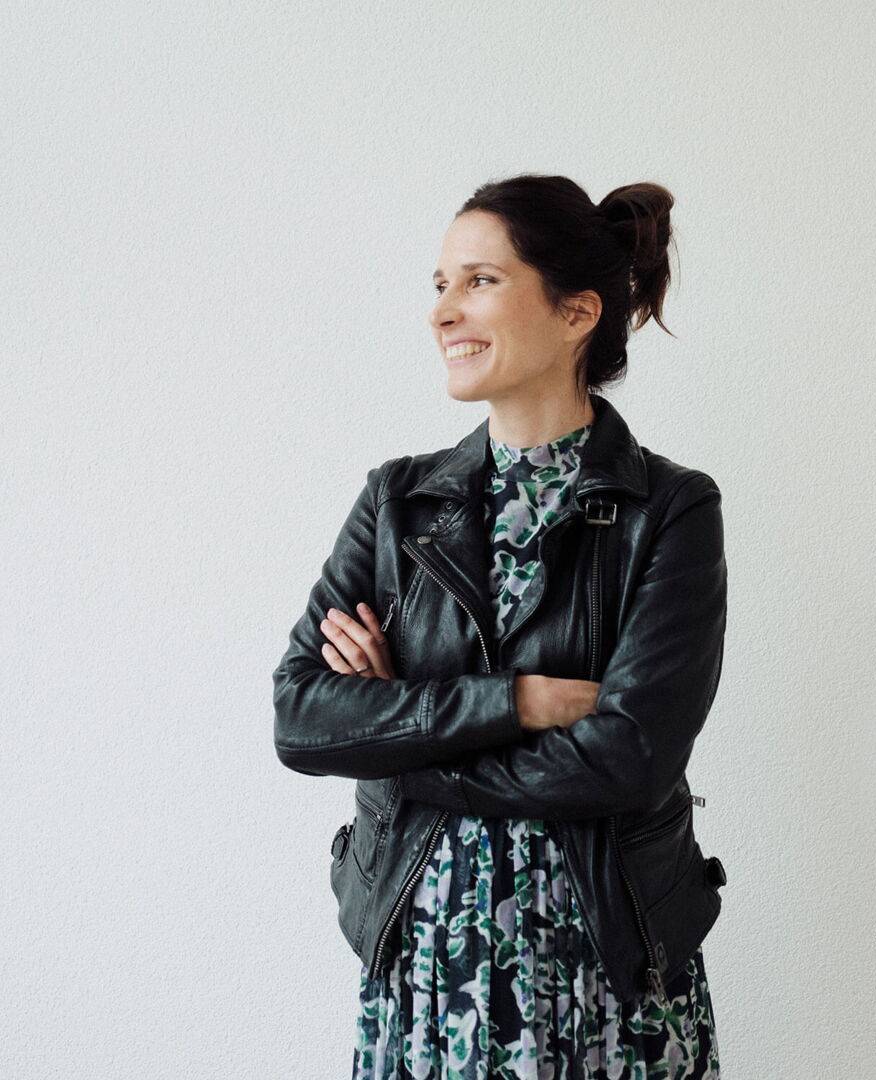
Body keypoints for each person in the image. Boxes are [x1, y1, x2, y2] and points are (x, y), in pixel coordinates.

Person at [273, 173, 728, 1078]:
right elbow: (302, 718)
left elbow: (628, 759)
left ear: (576, 313)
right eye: (439, 284)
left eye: (479, 280)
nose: (443, 311)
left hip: (604, 971)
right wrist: (514, 701)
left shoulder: (670, 509)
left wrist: (398, 736)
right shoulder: (397, 503)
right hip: (427, 964)